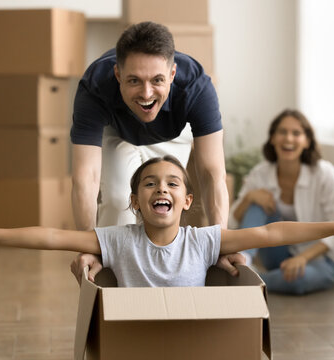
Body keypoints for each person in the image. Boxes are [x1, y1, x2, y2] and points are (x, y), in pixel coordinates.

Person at [0, 156, 334, 287]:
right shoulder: (117, 239)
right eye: (150, 184)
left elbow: (272, 232)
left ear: (187, 200)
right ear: (134, 202)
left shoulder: (204, 241)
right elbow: (52, 236)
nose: (162, 190)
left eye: (173, 183)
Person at [69, 21, 235, 283]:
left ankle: (167, 275)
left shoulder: (197, 88)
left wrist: (221, 243)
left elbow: (212, 173)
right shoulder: (94, 87)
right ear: (117, 74)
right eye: (134, 80)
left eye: (157, 80)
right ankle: (115, 282)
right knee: (115, 199)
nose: (146, 93)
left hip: (173, 133)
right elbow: (84, 177)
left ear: (172, 74)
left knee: (167, 203)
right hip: (118, 132)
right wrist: (87, 249)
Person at [230, 109, 334, 295]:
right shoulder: (260, 173)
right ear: (272, 138)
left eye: (296, 133)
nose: (288, 139)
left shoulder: (324, 173)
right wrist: (248, 198)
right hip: (276, 255)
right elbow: (232, 221)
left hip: (317, 260)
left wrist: (303, 257)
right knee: (256, 201)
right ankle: (244, 262)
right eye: (282, 132)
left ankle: (250, 280)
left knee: (298, 281)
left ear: (307, 141)